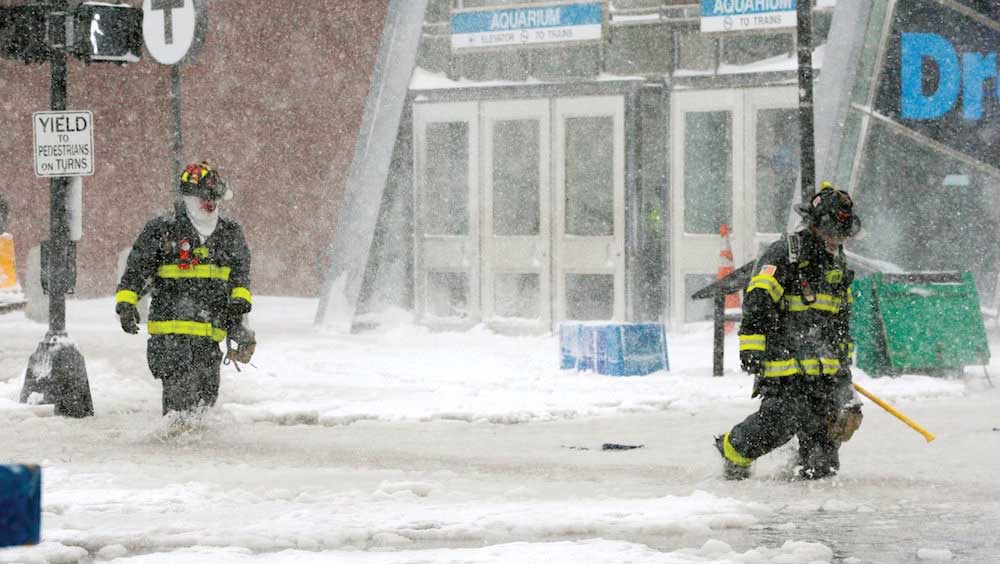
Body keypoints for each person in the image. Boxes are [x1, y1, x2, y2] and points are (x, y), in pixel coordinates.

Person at [715, 181, 863, 480]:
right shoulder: (785, 254)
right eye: (833, 233)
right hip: (784, 365)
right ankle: (734, 448)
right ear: (816, 225)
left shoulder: (836, 262)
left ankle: (808, 471)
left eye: (842, 235)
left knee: (824, 457)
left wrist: (843, 372)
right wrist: (752, 349)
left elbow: (840, 321)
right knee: (780, 423)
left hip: (824, 371)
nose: (837, 240)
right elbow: (758, 302)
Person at [115, 162, 252, 415]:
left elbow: (240, 280)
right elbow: (136, 269)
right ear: (188, 198)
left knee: (204, 405)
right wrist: (126, 303)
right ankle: (175, 448)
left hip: (209, 339)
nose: (210, 204)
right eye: (204, 198)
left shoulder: (229, 233)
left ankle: (195, 452)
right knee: (179, 410)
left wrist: (238, 320)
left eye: (214, 198)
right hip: (170, 340)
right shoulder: (162, 230)